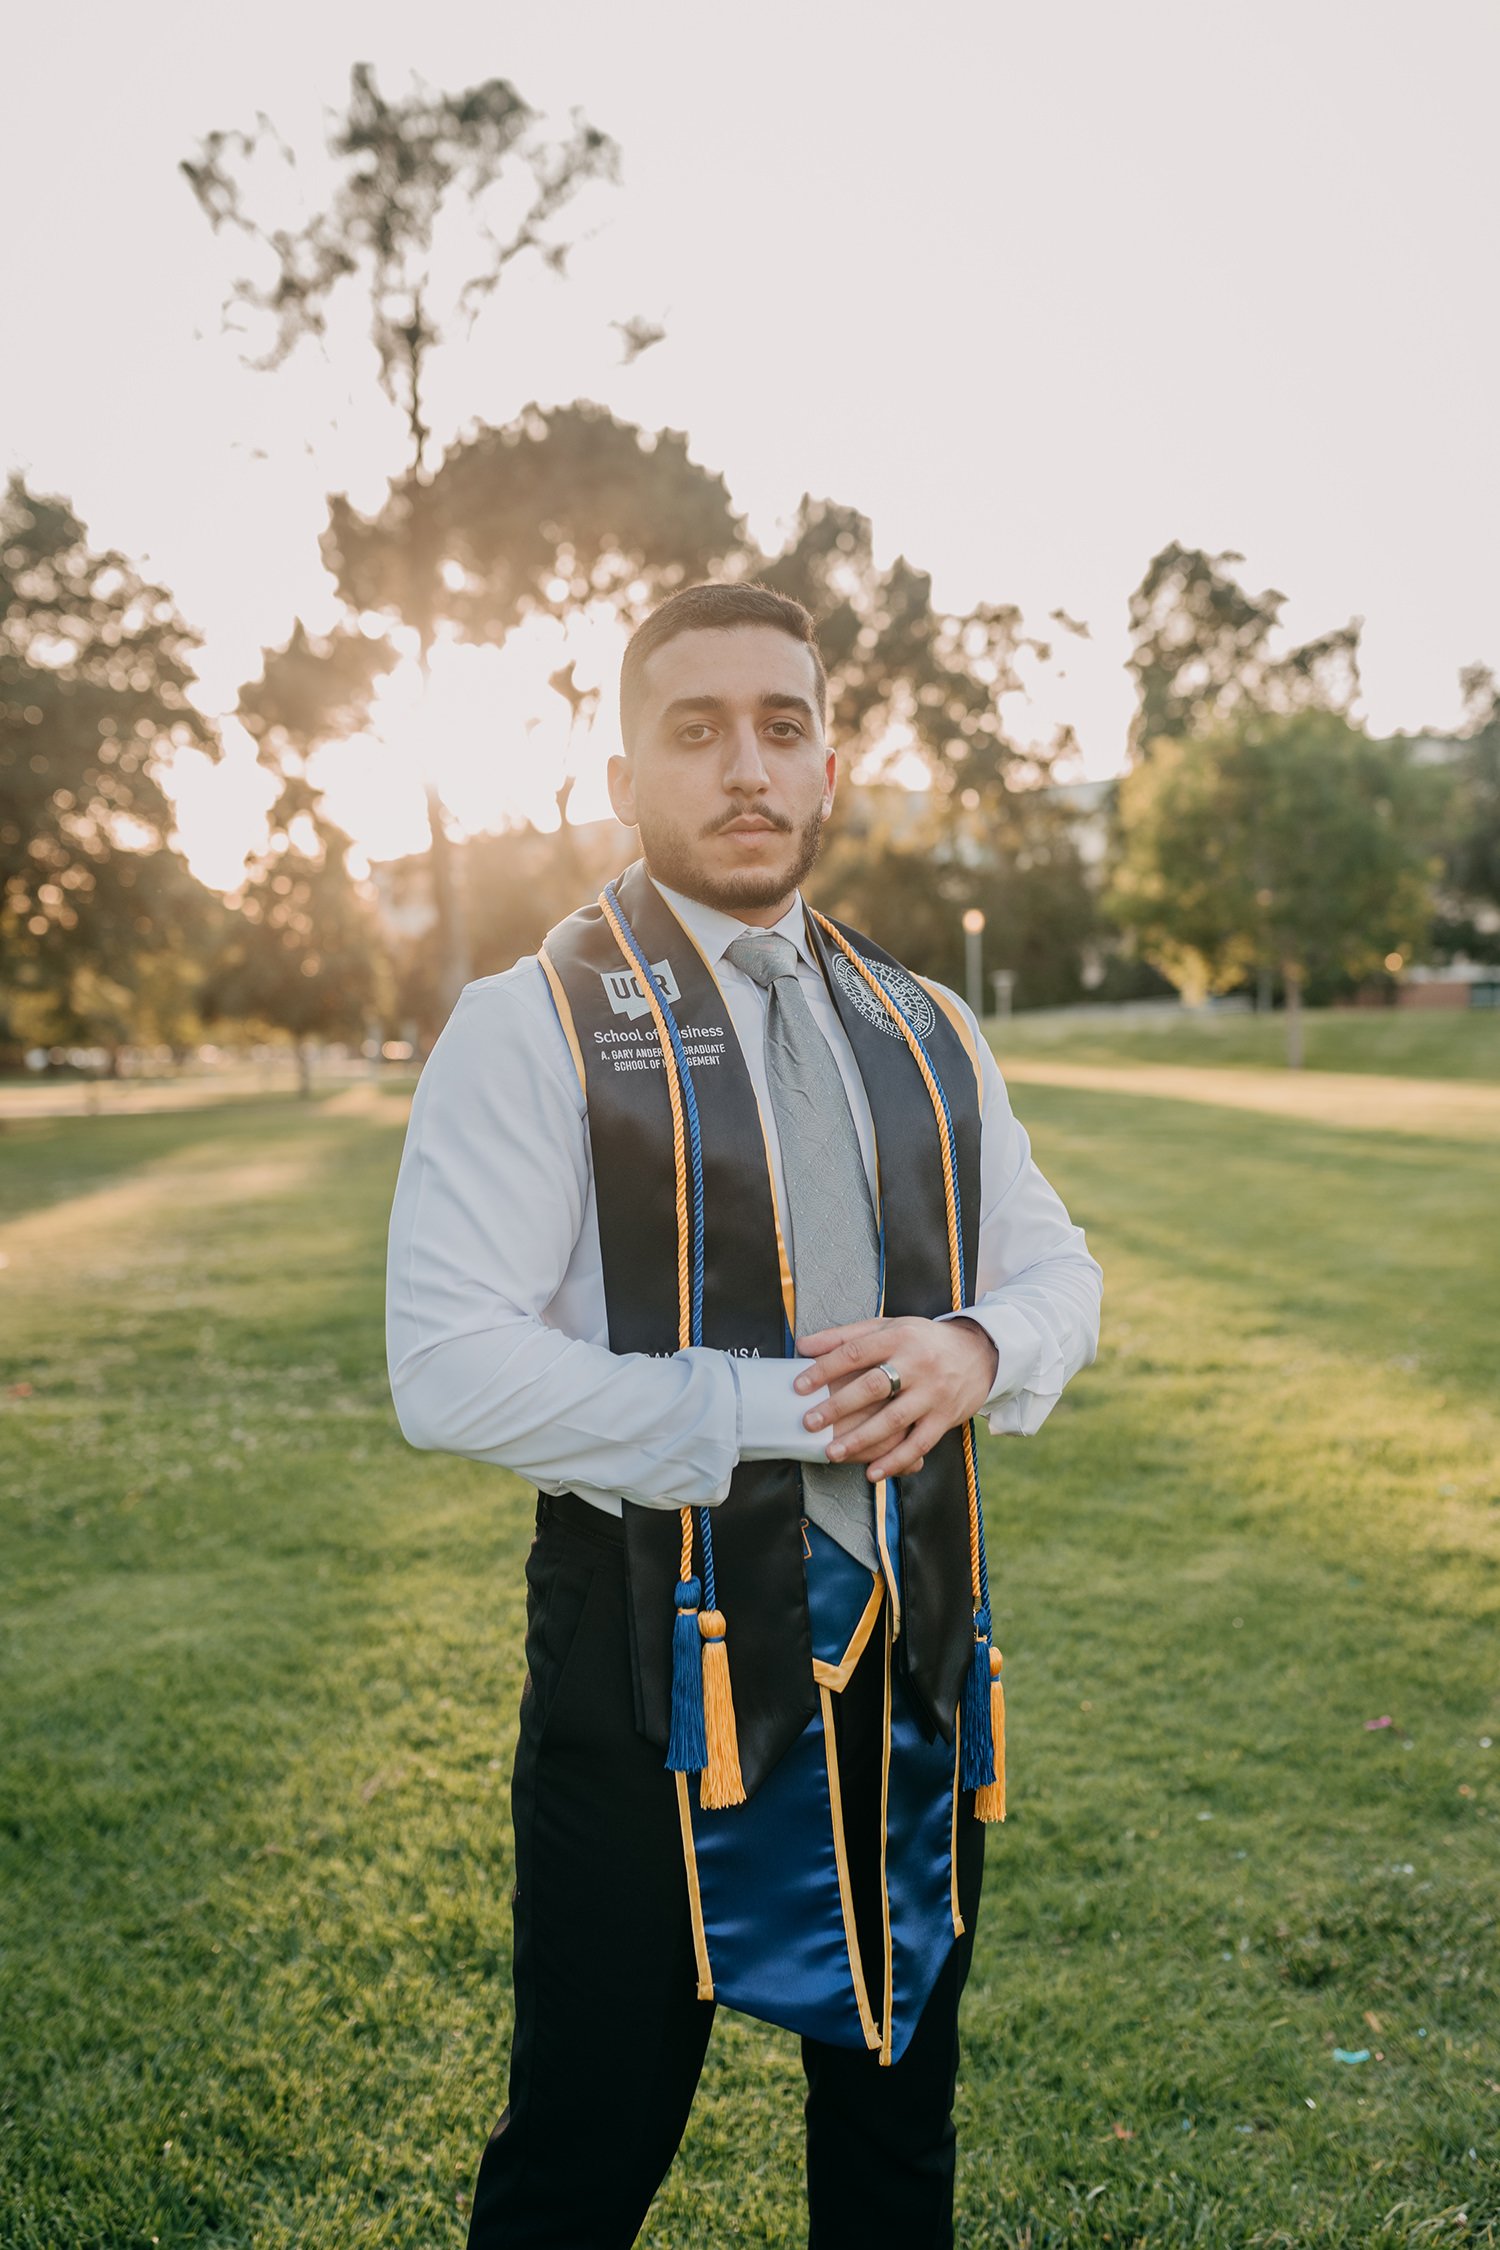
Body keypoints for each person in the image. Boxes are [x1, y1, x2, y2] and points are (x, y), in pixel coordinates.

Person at [386, 582, 1102, 2249]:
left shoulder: (928, 1029)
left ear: (833, 765)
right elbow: (447, 1366)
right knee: (584, 2148)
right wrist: (787, 1407)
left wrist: (977, 1352)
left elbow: (1057, 1272)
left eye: (783, 725)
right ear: (625, 770)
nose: (746, 766)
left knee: (895, 2142)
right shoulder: (531, 1021)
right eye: (696, 729)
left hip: (911, 1662)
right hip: (660, 1672)